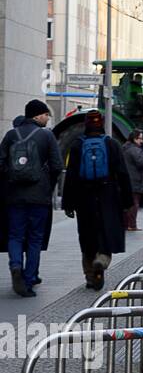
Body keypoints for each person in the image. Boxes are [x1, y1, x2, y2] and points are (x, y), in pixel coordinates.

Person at [62, 110, 132, 292]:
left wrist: (68, 204)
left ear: (86, 124)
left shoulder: (77, 146)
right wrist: (127, 201)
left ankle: (90, 277)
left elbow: (70, 176)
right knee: (106, 234)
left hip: (84, 198)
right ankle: (101, 261)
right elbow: (123, 173)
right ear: (101, 123)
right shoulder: (111, 144)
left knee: (86, 237)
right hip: (108, 196)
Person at [0, 100, 62, 297]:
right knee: (35, 239)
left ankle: (15, 265)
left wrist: (10, 181)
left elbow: (1, 163)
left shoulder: (11, 135)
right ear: (36, 116)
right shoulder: (47, 136)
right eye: (45, 114)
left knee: (15, 235)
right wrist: (48, 186)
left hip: (15, 197)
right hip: (39, 198)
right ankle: (28, 279)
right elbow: (57, 165)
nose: (47, 118)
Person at [122, 129, 143, 231]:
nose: (142, 141)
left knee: (126, 204)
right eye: (140, 138)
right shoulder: (135, 150)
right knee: (134, 203)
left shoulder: (125, 148)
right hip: (135, 180)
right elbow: (141, 163)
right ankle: (132, 225)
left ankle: (125, 224)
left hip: (126, 180)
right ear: (135, 138)